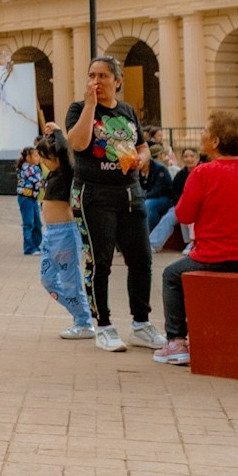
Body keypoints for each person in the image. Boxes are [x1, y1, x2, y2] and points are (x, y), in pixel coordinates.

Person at [154, 112, 238, 366]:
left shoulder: (202, 173)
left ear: (215, 141)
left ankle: (176, 341)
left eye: (205, 131)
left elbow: (184, 215)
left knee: (171, 276)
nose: (201, 136)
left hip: (213, 256)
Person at [63, 57, 163, 352]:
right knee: (100, 261)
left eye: (104, 75)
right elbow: (78, 143)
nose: (97, 80)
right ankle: (103, 325)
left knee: (141, 259)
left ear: (117, 81)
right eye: (92, 74)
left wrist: (142, 159)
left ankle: (141, 324)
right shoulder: (79, 109)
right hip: (94, 194)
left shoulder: (127, 110)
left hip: (129, 192)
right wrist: (91, 106)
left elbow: (142, 145)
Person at [34, 129, 95, 338]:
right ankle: (80, 314)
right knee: (47, 279)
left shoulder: (67, 172)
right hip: (50, 234)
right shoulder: (52, 174)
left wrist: (59, 132)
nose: (43, 161)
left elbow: (64, 150)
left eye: (46, 157)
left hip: (65, 234)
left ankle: (84, 322)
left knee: (71, 281)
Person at [15, 145, 45, 255]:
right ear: (28, 158)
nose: (38, 158)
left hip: (33, 198)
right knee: (28, 223)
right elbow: (37, 181)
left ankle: (37, 245)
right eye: (36, 156)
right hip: (25, 198)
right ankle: (29, 247)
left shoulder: (36, 168)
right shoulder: (26, 168)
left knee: (37, 223)